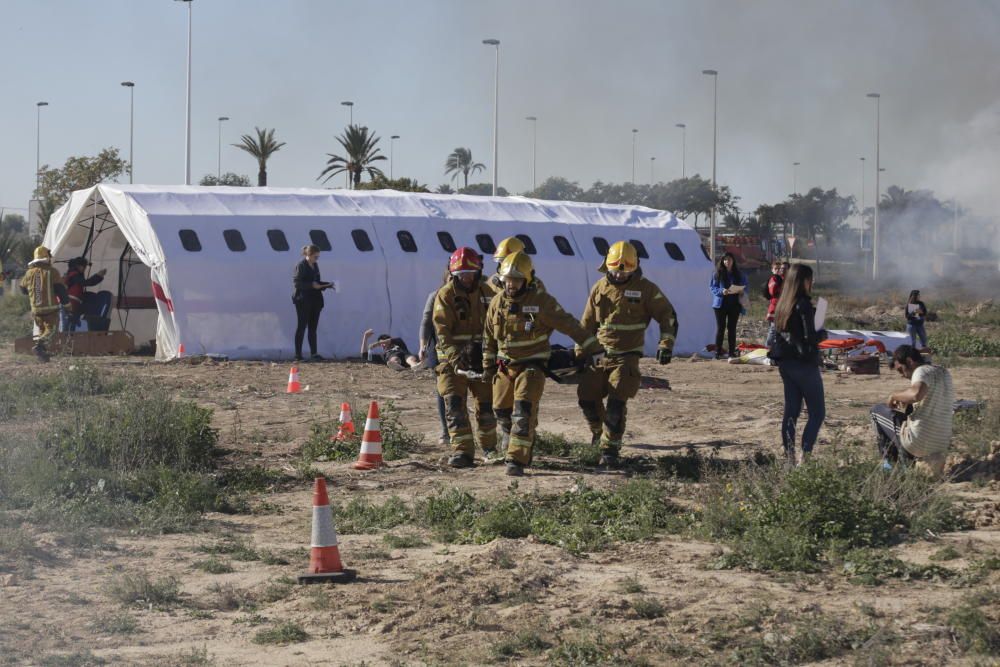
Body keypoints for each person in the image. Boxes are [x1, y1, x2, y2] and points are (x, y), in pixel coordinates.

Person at [483, 251, 604, 477]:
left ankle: (516, 460)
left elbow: (569, 325)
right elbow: (489, 336)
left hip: (533, 365)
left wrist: (593, 347)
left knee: (523, 411)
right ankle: (517, 444)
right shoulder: (497, 302)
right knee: (501, 410)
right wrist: (488, 364)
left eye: (517, 280)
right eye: (508, 280)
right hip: (505, 366)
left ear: (527, 280)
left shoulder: (541, 302)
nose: (511, 285)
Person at [576, 241, 678, 467]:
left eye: (625, 272)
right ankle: (598, 433)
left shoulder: (647, 289)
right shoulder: (599, 288)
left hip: (627, 356)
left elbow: (668, 315)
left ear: (635, 267)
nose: (620, 276)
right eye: (615, 271)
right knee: (586, 399)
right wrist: (580, 351)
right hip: (600, 354)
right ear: (606, 266)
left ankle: (610, 450)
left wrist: (666, 344)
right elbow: (587, 323)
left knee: (616, 403)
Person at [433, 247, 498, 468]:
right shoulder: (446, 295)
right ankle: (462, 452)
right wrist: (454, 357)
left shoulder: (488, 293)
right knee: (454, 406)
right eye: (462, 274)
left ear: (478, 272)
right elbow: (442, 329)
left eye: (470, 273)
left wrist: (491, 354)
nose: (466, 278)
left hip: (481, 360)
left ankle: (490, 448)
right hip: (453, 363)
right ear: (453, 274)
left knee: (487, 406)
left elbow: (498, 324)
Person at [767, 263, 826, 465]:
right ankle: (805, 457)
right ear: (803, 281)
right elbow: (810, 338)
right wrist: (823, 333)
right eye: (810, 279)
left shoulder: (783, 304)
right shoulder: (803, 304)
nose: (812, 283)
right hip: (804, 364)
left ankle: (789, 456)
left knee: (791, 411)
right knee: (817, 413)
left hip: (786, 364)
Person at [870, 345, 954, 477]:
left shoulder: (920, 371)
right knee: (908, 412)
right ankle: (905, 460)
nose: (902, 375)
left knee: (876, 411)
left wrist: (894, 396)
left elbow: (916, 394)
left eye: (901, 370)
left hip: (919, 442)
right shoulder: (943, 372)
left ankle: (890, 464)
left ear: (909, 361)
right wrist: (905, 400)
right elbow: (924, 398)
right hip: (941, 443)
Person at [19, 246, 68, 362]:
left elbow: (22, 289)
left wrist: (34, 291)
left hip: (36, 310)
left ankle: (42, 356)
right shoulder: (52, 272)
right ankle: (40, 346)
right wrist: (67, 305)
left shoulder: (29, 273)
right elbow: (60, 289)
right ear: (46, 257)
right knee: (52, 330)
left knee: (42, 330)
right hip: (50, 309)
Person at [419, 287, 451, 447]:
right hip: (439, 351)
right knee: (442, 390)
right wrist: (423, 346)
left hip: (466, 350)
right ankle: (446, 432)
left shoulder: (474, 293)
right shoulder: (435, 295)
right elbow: (426, 322)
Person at [292, 244, 332, 362]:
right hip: (303, 300)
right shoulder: (301, 265)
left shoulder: (315, 265)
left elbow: (317, 282)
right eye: (315, 257)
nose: (316, 259)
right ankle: (298, 355)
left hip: (315, 299)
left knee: (313, 328)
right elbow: (297, 283)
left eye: (318, 257)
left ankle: (314, 353)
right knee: (302, 326)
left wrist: (327, 285)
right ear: (308, 255)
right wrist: (311, 285)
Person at [709, 252, 747, 359]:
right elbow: (712, 287)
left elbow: (745, 286)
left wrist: (742, 291)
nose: (727, 262)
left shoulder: (739, 274)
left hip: (734, 304)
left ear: (733, 261)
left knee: (732, 328)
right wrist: (722, 291)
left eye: (729, 259)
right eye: (725, 260)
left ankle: (731, 352)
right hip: (720, 305)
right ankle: (717, 352)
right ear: (722, 261)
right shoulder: (717, 273)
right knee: (721, 328)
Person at [63, 257, 111, 332]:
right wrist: (99, 275)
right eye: (84, 267)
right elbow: (87, 283)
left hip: (72, 305)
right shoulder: (74, 275)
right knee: (71, 323)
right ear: (79, 266)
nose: (84, 269)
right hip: (72, 305)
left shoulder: (71, 274)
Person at [764, 260, 787, 348]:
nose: (778, 270)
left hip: (781, 308)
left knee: (779, 330)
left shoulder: (782, 278)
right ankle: (767, 347)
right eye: (775, 268)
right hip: (774, 309)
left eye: (779, 268)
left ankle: (776, 348)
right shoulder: (773, 279)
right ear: (772, 270)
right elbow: (772, 291)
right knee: (773, 330)